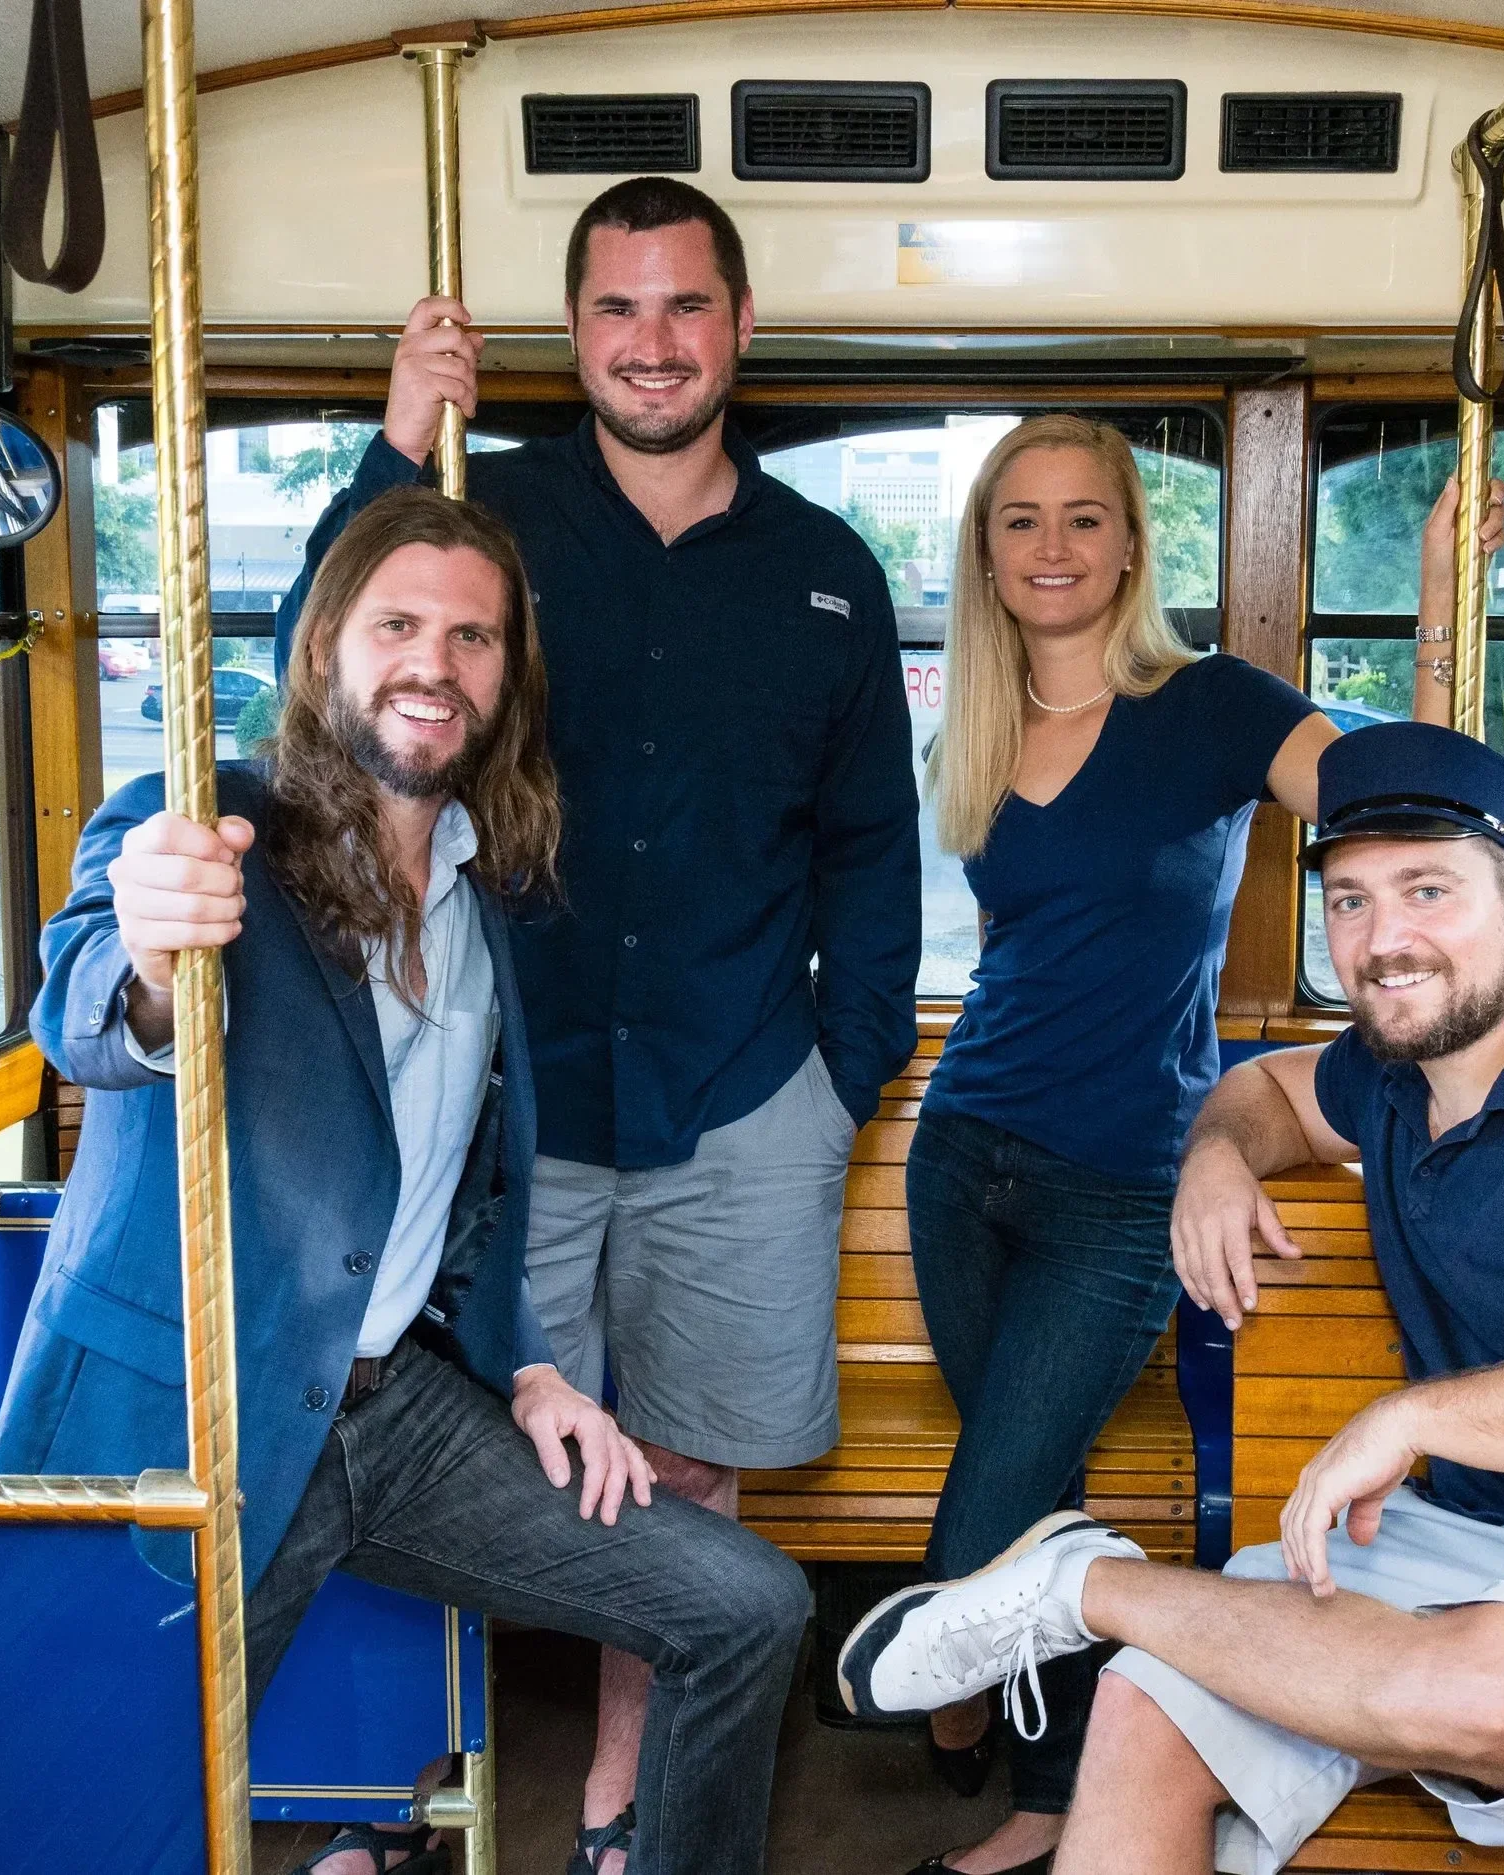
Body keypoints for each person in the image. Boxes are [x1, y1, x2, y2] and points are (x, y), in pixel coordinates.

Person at [839, 720, 1504, 1875]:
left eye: (1428, 891)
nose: (1383, 941)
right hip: (1466, 1540)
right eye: (1352, 902)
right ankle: (1100, 1601)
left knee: (1474, 1690)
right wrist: (1215, 1157)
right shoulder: (1389, 1071)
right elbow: (1261, 1088)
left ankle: (1085, 1583)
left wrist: (1412, 1419)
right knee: (1148, 1704)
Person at [0, 489, 812, 1875]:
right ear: (326, 647)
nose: (435, 661)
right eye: (398, 623)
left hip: (403, 1414)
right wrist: (146, 954)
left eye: (474, 636)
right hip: (206, 1409)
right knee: (91, 1802)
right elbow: (84, 1011)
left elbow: (468, 1189)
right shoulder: (203, 825)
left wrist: (539, 1367)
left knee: (745, 1600)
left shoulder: (488, 889)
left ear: (506, 677)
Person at [270, 175, 919, 1875]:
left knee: (687, 1491)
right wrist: (401, 451)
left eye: (686, 306)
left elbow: (870, 852)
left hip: (740, 1096)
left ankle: (625, 1803)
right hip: (508, 1100)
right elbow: (321, 695)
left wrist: (843, 1074)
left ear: (740, 330)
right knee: (445, 1453)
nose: (654, 343)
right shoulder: (486, 524)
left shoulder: (828, 575)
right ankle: (406, 1796)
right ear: (574, 336)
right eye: (619, 310)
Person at [885, 417, 1498, 1875]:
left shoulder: (1212, 704)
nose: (1052, 546)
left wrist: (1433, 608)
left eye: (1084, 517)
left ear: (1131, 542)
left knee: (982, 1530)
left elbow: (1406, 793)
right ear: (986, 550)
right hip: (962, 1151)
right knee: (1023, 1496)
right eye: (1021, 519)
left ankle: (975, 1723)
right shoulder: (971, 721)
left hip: (1123, 1183)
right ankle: (1048, 1785)